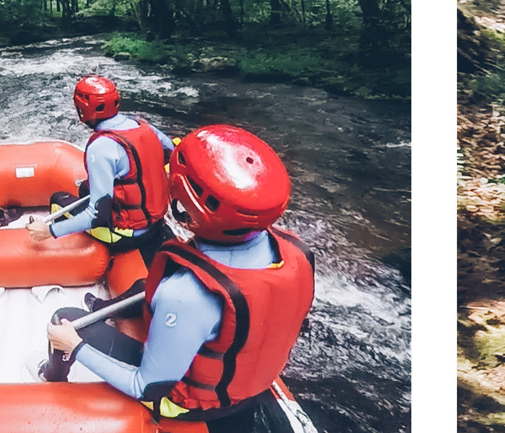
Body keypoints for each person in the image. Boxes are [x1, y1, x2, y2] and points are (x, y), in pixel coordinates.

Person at [42, 125, 314, 433]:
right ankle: (103, 310)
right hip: (251, 381)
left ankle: (51, 376)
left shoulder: (185, 294)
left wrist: (74, 346)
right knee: (148, 287)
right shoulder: (296, 250)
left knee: (63, 318)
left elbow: (145, 386)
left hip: (188, 402)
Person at [27, 75, 176, 266]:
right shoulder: (144, 126)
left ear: (82, 109)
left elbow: (97, 216)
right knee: (85, 189)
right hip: (156, 222)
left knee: (58, 200)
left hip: (128, 235)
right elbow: (171, 151)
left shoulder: (102, 147)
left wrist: (48, 231)